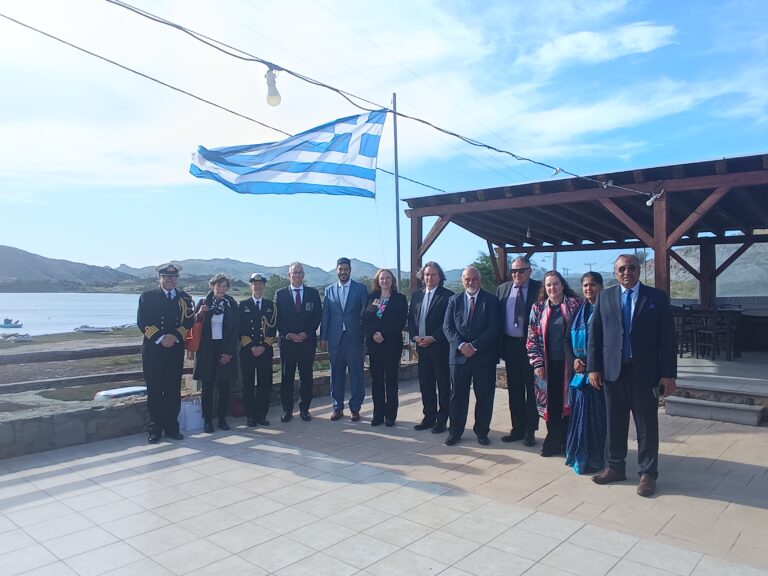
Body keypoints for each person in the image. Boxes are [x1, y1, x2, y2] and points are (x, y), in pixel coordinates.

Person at [588, 254, 677, 497]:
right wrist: (593, 368)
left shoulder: (656, 298)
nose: (627, 272)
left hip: (645, 373)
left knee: (646, 425)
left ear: (639, 271)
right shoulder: (605, 297)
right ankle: (615, 467)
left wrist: (668, 374)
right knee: (614, 422)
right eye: (622, 269)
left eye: (632, 268)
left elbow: (668, 339)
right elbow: (595, 335)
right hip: (612, 371)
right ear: (615, 272)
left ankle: (648, 473)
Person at [137, 263, 195, 444]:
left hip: (174, 351)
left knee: (172, 390)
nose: (170, 280)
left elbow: (188, 322)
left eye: (173, 277)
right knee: (155, 391)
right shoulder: (147, 297)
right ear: (159, 278)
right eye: (166, 277)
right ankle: (155, 430)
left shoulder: (185, 299)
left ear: (177, 279)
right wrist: (161, 338)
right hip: (153, 351)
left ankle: (172, 427)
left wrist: (175, 336)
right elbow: (142, 321)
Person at [443, 266, 500, 446]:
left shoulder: (490, 300)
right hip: (459, 357)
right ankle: (455, 431)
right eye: (467, 279)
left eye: (474, 278)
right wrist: (461, 345)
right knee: (457, 396)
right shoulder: (454, 300)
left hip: (483, 357)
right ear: (462, 281)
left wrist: (474, 346)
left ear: (479, 280)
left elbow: (494, 327)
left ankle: (482, 431)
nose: (471, 282)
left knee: (484, 396)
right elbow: (447, 327)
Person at [526, 271, 581, 457]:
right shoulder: (538, 308)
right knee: (551, 405)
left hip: (570, 366)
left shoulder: (575, 305)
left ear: (563, 285)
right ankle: (553, 439)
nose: (552, 288)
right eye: (549, 285)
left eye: (556, 284)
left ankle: (567, 441)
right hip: (547, 368)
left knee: (568, 403)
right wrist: (537, 363)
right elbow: (532, 338)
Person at [496, 256, 541, 446]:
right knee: (514, 389)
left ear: (529, 271)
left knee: (532, 390)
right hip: (510, 345)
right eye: (513, 271)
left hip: (531, 346)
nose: (517, 274)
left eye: (521, 270)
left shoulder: (539, 289)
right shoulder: (502, 289)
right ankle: (517, 428)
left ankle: (530, 430)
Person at [565, 272, 606, 474]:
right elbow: (567, 339)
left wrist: (592, 366)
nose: (589, 289)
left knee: (597, 420)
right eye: (586, 285)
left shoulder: (607, 308)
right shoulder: (579, 310)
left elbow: (607, 342)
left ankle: (598, 459)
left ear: (601, 286)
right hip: (580, 374)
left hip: (599, 375)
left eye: (593, 285)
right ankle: (580, 456)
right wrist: (574, 360)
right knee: (580, 418)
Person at [407, 261, 454, 433]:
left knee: (442, 385)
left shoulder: (448, 296)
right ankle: (429, 417)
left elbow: (448, 323)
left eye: (433, 274)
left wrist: (433, 338)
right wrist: (414, 336)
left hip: (439, 347)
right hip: (421, 347)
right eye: (426, 274)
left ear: (439, 277)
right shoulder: (417, 295)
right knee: (426, 384)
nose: (429, 277)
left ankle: (442, 421)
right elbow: (411, 319)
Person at [320, 257, 368, 421]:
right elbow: (326, 315)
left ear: (350, 270)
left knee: (356, 374)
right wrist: (324, 337)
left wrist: (364, 336)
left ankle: (355, 408)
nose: (343, 272)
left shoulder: (360, 289)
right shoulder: (329, 290)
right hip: (335, 339)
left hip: (354, 339)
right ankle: (337, 407)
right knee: (336, 374)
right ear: (336, 270)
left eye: (346, 269)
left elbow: (365, 315)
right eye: (340, 269)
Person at [275, 262, 322, 422]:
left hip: (307, 343)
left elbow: (317, 317)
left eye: (299, 272)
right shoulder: (280, 294)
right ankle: (287, 410)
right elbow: (277, 319)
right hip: (287, 343)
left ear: (303, 275)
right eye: (294, 273)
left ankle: (304, 409)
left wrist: (307, 333)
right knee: (287, 377)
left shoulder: (313, 294)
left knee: (306, 377)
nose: (297, 275)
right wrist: (288, 334)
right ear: (289, 275)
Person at [362, 269, 408, 427]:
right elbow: (364, 319)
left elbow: (400, 321)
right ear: (377, 281)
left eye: (388, 278)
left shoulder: (400, 299)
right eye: (382, 278)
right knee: (377, 381)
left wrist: (384, 334)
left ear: (392, 280)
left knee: (391, 381)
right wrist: (374, 333)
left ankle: (390, 415)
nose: (385, 281)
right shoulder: (371, 298)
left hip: (391, 345)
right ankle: (378, 414)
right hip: (374, 346)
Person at [193, 273, 239, 433]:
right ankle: (207, 420)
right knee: (207, 387)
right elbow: (192, 324)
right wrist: (199, 314)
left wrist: (229, 352)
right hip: (207, 350)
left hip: (224, 348)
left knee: (224, 386)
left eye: (225, 286)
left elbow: (235, 330)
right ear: (212, 286)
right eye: (219, 285)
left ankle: (222, 419)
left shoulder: (231, 304)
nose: (221, 289)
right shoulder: (203, 302)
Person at [239, 273, 277, 427]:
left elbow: (273, 329)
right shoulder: (243, 305)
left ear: (264, 286)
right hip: (248, 351)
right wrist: (251, 346)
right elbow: (239, 329)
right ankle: (250, 416)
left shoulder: (271, 306)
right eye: (255, 284)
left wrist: (263, 346)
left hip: (265, 350)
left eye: (260, 284)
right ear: (251, 286)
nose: (258, 286)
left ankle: (262, 414)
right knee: (248, 384)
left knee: (265, 384)